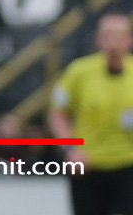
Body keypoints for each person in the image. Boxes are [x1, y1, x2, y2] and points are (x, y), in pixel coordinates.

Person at [51, 12, 133, 215]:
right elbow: (57, 112)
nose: (114, 43)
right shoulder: (79, 72)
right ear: (98, 40)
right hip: (88, 166)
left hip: (128, 165)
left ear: (129, 40)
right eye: (108, 36)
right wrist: (70, 150)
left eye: (119, 36)